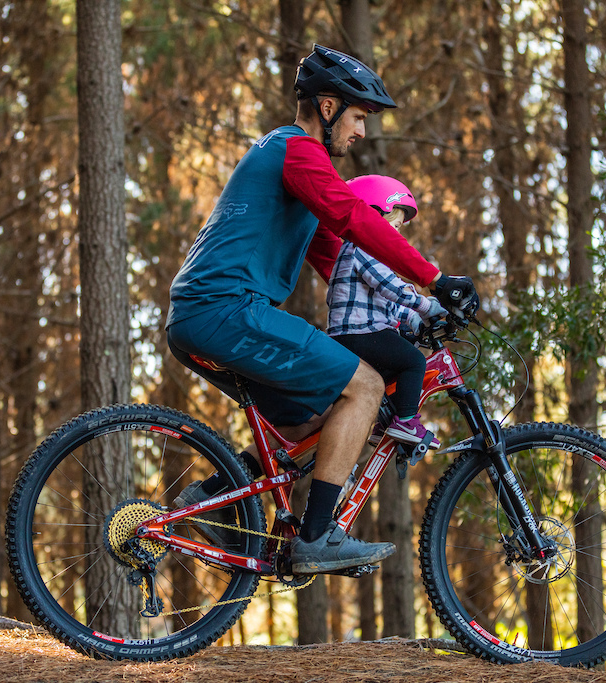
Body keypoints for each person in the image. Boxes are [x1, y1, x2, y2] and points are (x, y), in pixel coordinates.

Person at [165, 44, 479, 574]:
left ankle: (211, 496)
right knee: (366, 387)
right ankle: (316, 537)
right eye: (358, 117)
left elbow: (339, 263)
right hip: (226, 310)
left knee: (311, 421)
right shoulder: (297, 150)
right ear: (328, 108)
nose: (360, 133)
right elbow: (354, 217)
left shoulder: (285, 163)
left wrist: (416, 312)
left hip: (200, 317)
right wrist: (434, 278)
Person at [326, 175, 445, 449]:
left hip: (357, 332)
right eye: (393, 225)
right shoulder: (363, 247)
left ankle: (385, 424)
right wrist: (426, 306)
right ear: (372, 215)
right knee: (413, 362)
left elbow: (385, 303)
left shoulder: (358, 250)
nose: (396, 234)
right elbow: (390, 286)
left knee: (392, 373)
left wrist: (413, 319)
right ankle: (405, 421)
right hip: (357, 334)